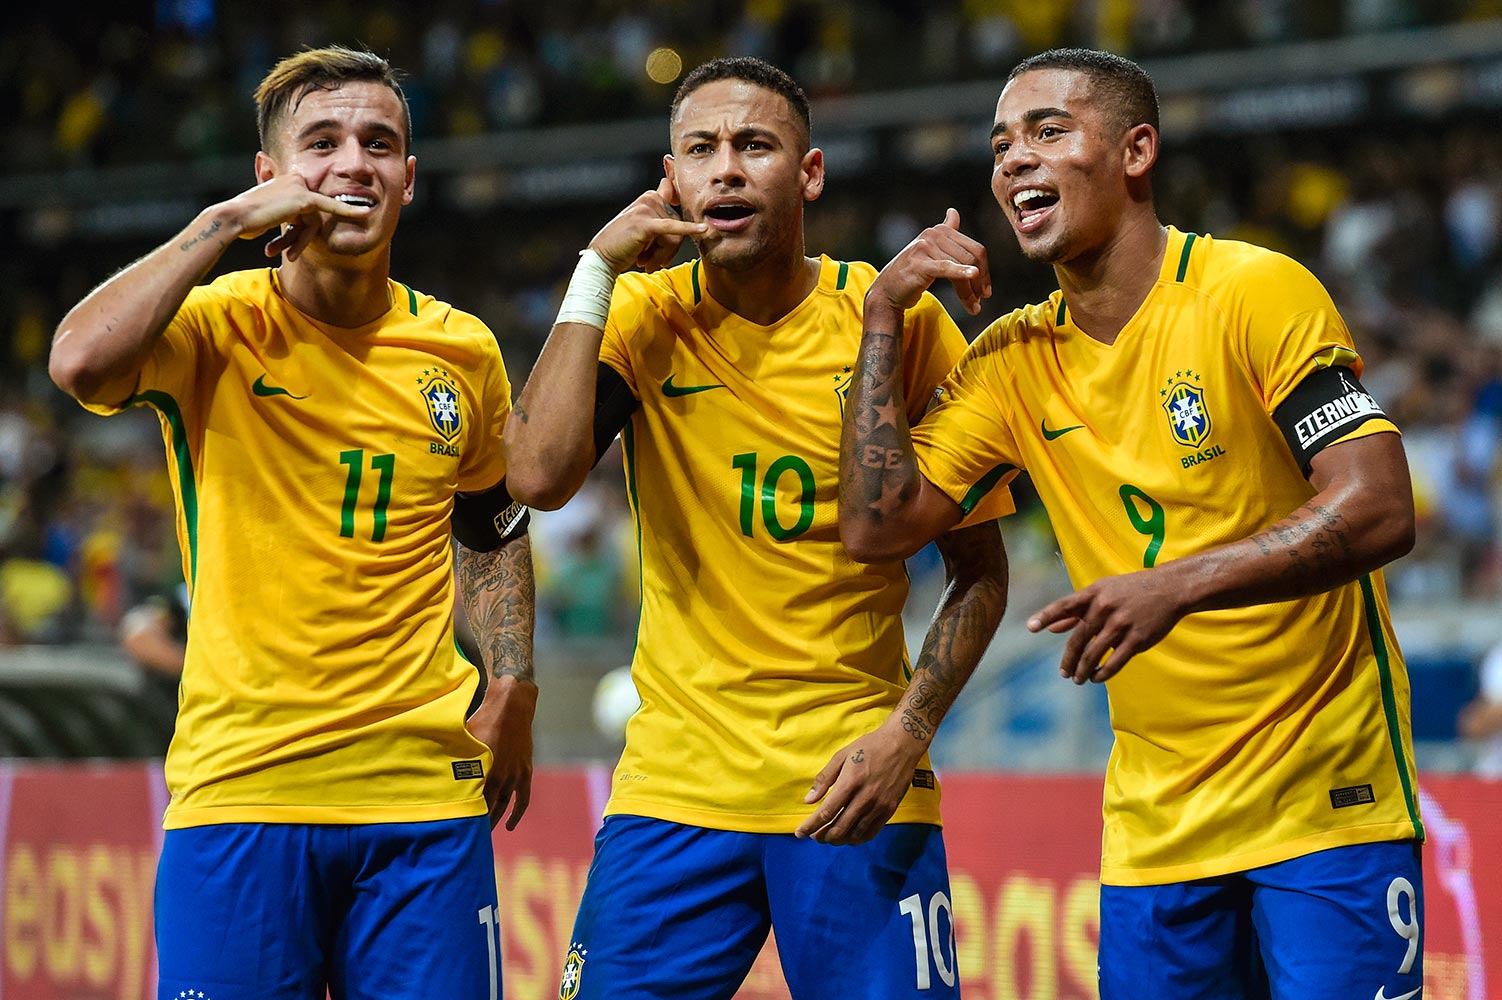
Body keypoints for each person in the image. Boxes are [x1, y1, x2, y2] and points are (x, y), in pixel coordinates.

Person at [839, 47, 1425, 1000]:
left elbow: (1378, 503)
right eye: (1000, 146)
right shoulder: (1011, 362)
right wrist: (879, 320)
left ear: (1136, 152)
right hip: (1154, 832)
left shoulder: (1252, 291)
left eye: (1047, 132)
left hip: (1328, 804)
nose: (1014, 162)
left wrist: (1178, 585)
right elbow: (876, 528)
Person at [503, 57, 1010, 999]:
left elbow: (980, 569)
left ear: (808, 174)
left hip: (854, 783)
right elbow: (535, 477)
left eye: (754, 146)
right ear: (672, 178)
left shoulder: (893, 320)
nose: (726, 170)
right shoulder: (644, 317)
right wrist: (595, 269)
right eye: (702, 150)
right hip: (676, 791)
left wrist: (908, 734)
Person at [48, 46, 536, 1000]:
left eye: (379, 144)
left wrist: (512, 679)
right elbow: (77, 364)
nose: (354, 163)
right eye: (322, 143)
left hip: (421, 806)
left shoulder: (461, 348)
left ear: (407, 180)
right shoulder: (212, 326)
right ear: (270, 177)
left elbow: (492, 522)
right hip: (241, 794)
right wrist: (221, 226)